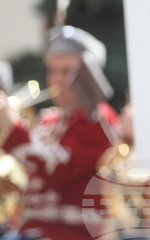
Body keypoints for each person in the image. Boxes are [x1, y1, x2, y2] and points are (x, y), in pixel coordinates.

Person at [0, 26, 120, 240]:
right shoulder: (49, 118)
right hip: (31, 228)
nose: (56, 79)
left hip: (70, 233)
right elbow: (30, 175)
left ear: (89, 73)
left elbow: (56, 171)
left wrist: (13, 127)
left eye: (66, 71)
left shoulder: (98, 119)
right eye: (52, 71)